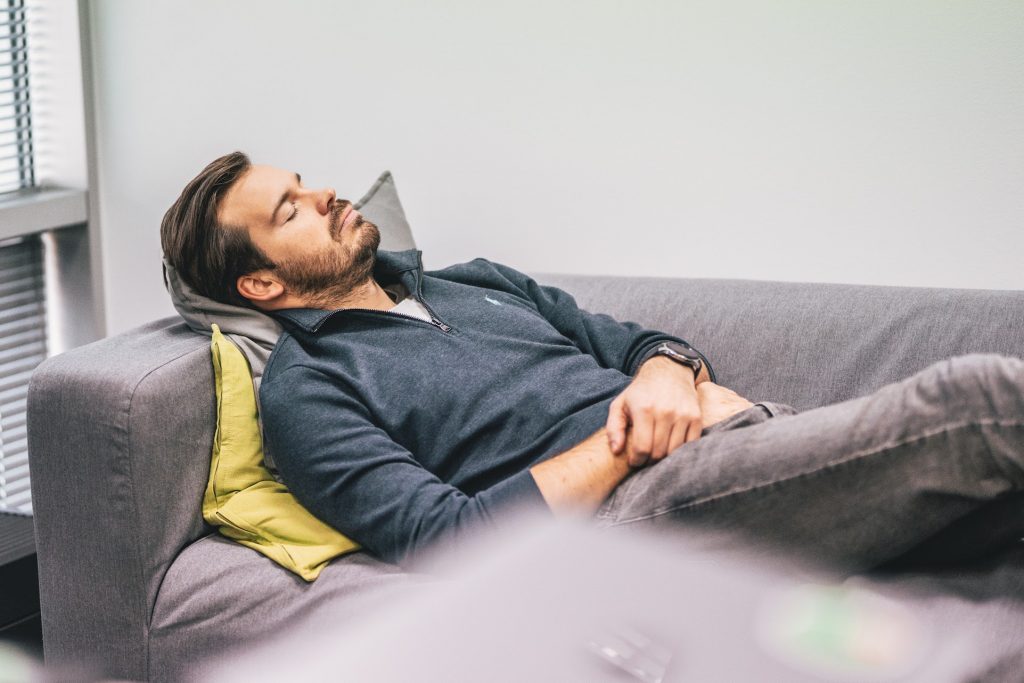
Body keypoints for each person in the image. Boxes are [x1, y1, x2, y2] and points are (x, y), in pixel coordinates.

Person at [161, 151, 1024, 569]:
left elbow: (651, 344)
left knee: (998, 511)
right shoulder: (308, 394)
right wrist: (637, 436)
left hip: (743, 440)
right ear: (264, 282)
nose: (326, 194)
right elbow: (443, 540)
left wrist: (663, 375)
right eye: (293, 209)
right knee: (980, 400)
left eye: (306, 181)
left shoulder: (475, 280)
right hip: (640, 513)